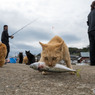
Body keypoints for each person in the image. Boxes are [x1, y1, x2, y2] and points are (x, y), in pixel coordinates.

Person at [87, 1, 95, 66]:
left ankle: (92, 62)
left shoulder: (89, 14)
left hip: (90, 31)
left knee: (92, 46)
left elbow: (88, 23)